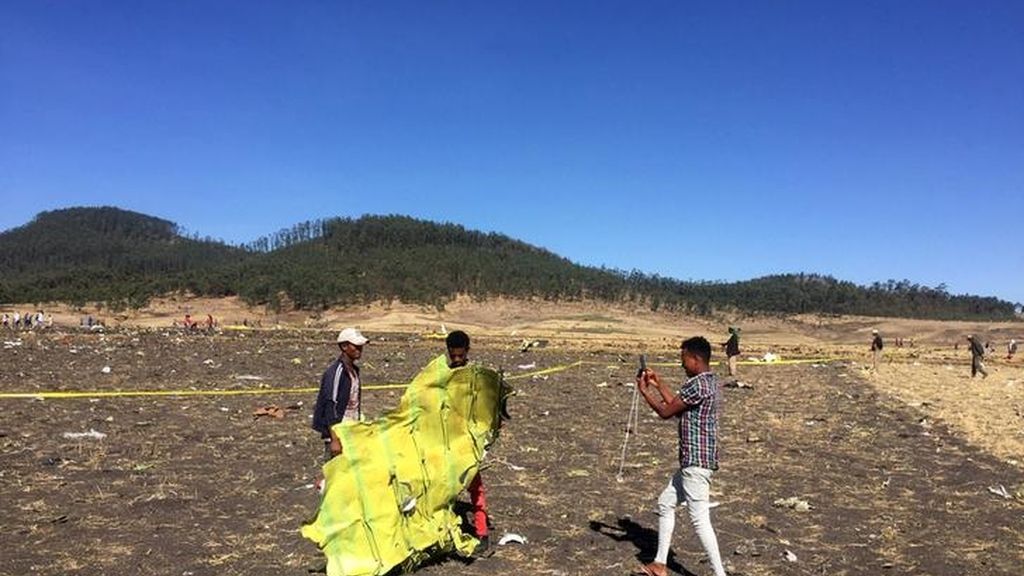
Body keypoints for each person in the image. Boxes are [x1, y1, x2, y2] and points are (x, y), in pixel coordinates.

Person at [633, 336, 726, 576]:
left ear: (696, 359)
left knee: (700, 520)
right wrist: (658, 383)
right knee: (665, 503)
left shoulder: (696, 385)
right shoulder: (710, 383)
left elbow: (666, 411)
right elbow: (677, 405)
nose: (682, 364)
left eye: (683, 359)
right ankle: (660, 564)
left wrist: (645, 392)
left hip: (695, 463)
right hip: (695, 461)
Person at [445, 330, 492, 555]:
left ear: (467, 352)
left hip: (470, 443)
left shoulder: (477, 377)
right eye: (453, 357)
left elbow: (487, 410)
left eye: (460, 356)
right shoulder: (443, 376)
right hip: (446, 442)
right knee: (444, 490)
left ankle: (482, 533)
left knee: (476, 488)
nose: (456, 361)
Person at [312, 328, 369, 461]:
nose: (359, 349)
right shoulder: (336, 372)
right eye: (355, 346)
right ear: (344, 346)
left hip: (351, 429)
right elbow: (330, 405)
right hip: (338, 432)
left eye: (361, 346)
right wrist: (335, 439)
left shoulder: (354, 370)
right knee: (334, 471)